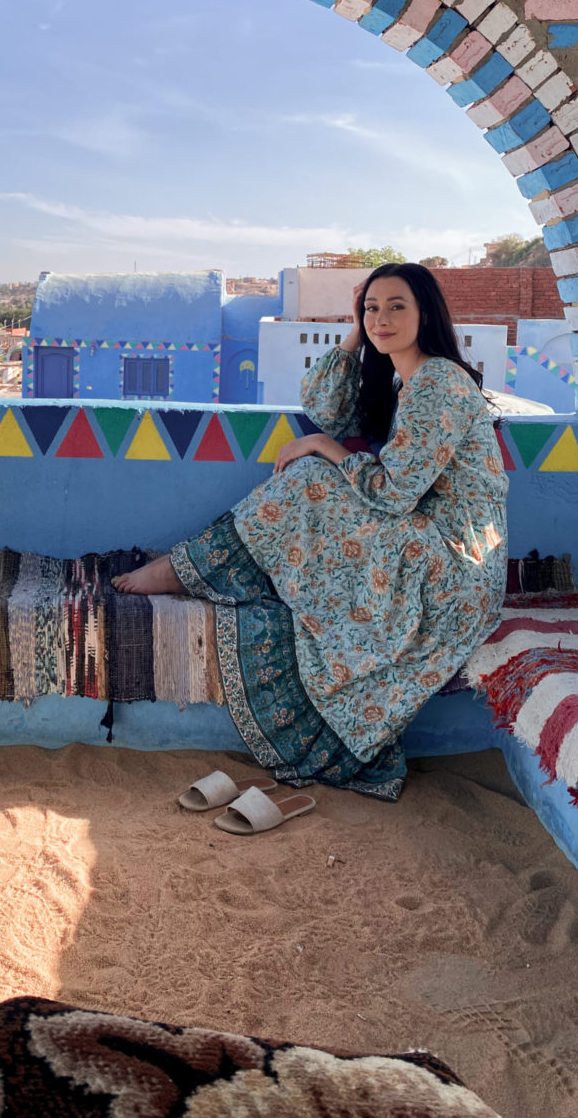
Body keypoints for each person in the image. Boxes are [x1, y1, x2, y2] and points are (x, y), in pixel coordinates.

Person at [113, 263, 508, 800]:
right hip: (426, 540)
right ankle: (193, 568)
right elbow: (324, 407)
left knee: (310, 480)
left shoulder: (439, 382)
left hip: (458, 567)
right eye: (371, 307)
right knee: (310, 479)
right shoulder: (403, 379)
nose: (381, 318)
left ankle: (188, 570)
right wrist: (354, 332)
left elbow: (393, 491)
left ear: (426, 314)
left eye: (397, 307)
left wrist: (323, 446)